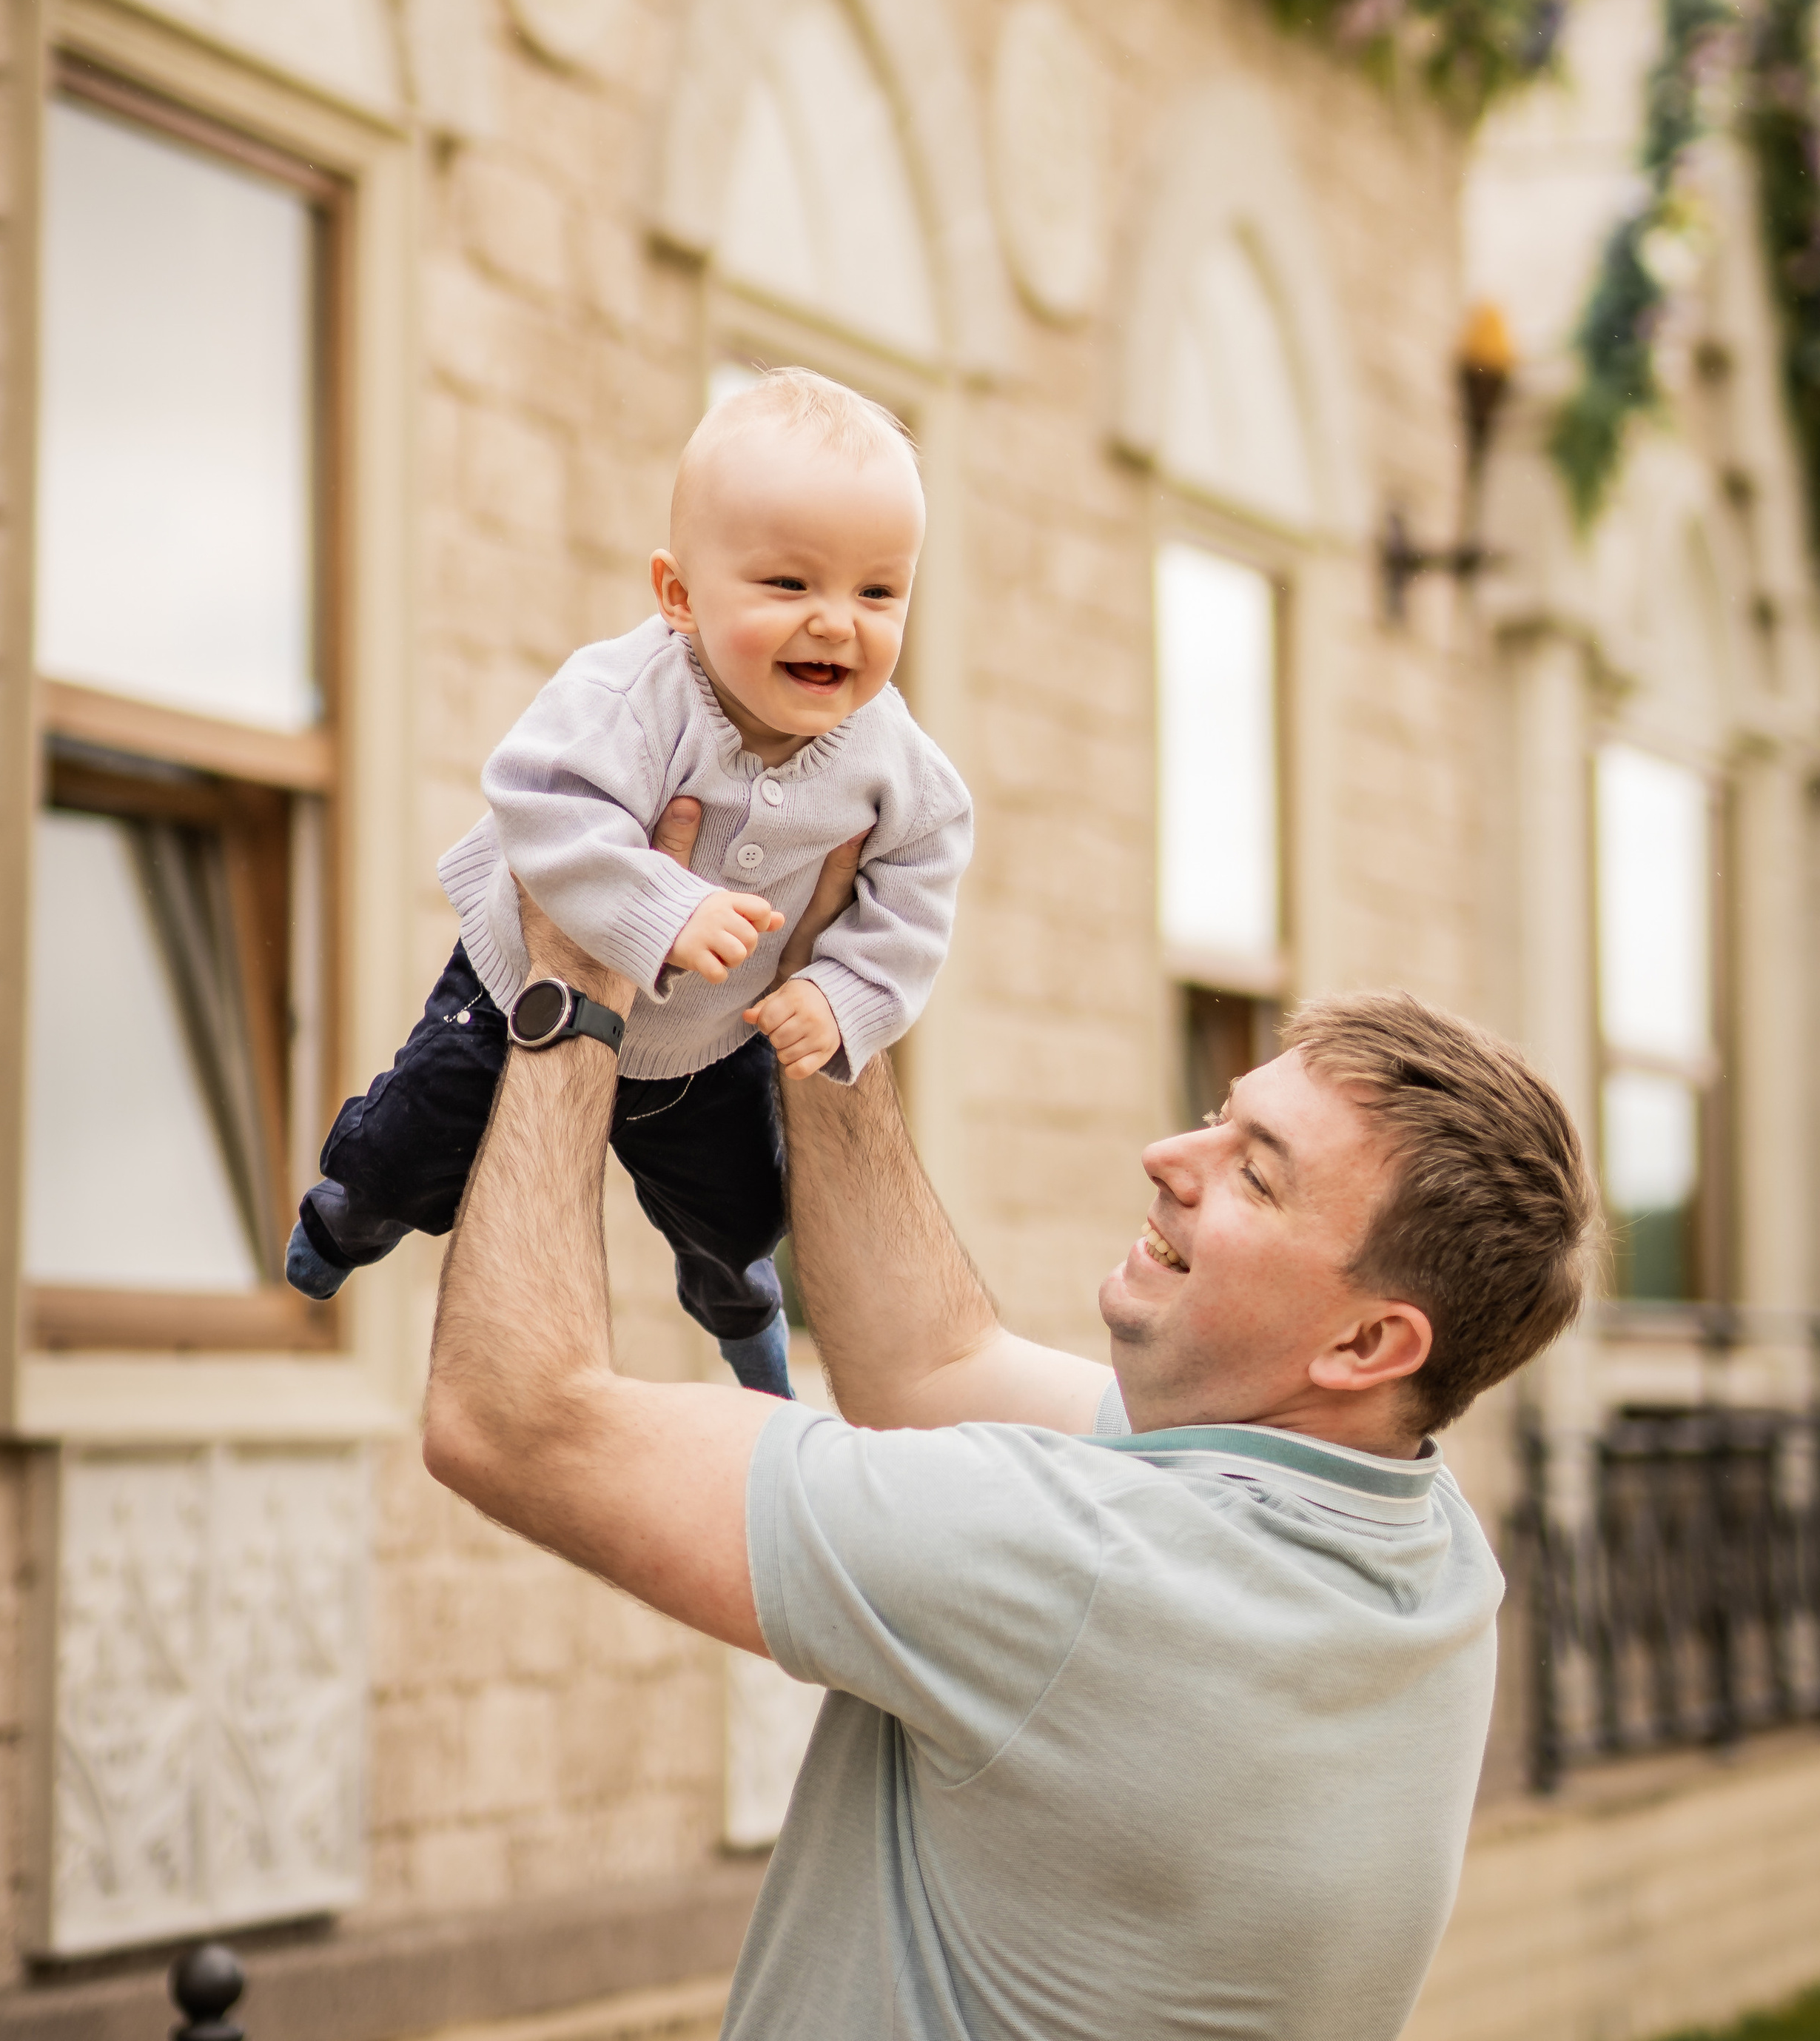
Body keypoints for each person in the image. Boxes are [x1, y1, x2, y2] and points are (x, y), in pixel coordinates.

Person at [423, 817, 1595, 2041]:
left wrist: (577, 981)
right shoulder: (1418, 1541)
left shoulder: (1089, 1571)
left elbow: (512, 1421)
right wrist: (831, 1000)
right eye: (1218, 1113)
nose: (1167, 1155)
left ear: (1367, 1347)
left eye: (1257, 1175)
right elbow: (929, 1366)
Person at [287, 366, 970, 1406]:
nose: (838, 623)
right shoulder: (632, 694)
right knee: (414, 1145)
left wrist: (848, 992)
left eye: (877, 592)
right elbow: (541, 801)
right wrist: (667, 905)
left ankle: (739, 1301)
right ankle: (352, 1212)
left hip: (705, 1037)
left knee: (742, 1211)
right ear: (680, 596)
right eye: (790, 586)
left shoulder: (894, 757)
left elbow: (923, 875)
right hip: (517, 989)